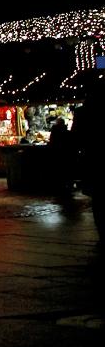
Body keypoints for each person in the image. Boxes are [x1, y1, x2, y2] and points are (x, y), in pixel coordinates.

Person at [72, 79, 104, 238]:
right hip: (94, 157)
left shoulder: (82, 113)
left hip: (91, 158)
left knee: (98, 199)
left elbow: (76, 138)